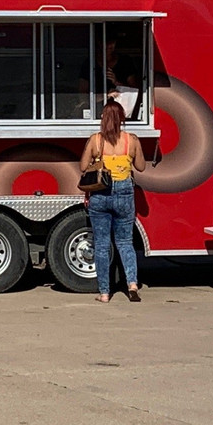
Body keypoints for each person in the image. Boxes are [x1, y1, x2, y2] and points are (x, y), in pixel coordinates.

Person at [80, 99, 147, 303]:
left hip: (100, 194)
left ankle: (104, 293)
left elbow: (84, 167)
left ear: (104, 119)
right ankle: (132, 285)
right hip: (124, 192)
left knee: (101, 245)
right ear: (122, 119)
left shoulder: (95, 140)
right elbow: (141, 167)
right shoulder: (131, 140)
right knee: (125, 242)